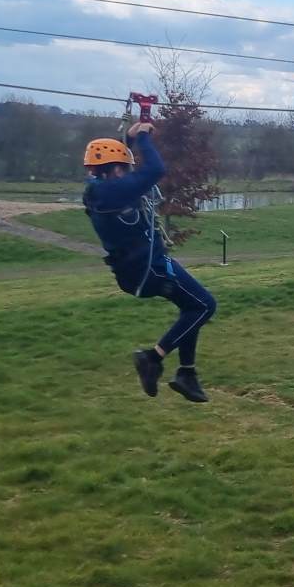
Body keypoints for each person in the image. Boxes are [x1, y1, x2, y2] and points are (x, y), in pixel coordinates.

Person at [81, 122, 214, 402]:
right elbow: (155, 170)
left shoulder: (97, 190)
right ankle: (152, 358)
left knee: (191, 306)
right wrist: (143, 136)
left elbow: (121, 171)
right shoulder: (112, 192)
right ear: (114, 170)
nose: (129, 172)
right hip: (149, 270)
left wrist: (128, 141)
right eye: (125, 168)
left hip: (135, 270)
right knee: (204, 305)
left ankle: (187, 374)